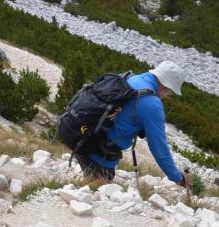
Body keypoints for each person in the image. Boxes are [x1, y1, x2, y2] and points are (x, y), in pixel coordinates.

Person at [78, 60, 193, 188]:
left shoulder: (130, 77)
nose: (168, 95)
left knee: (89, 188)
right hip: (98, 153)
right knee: (95, 192)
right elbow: (159, 149)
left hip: (82, 131)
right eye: (170, 91)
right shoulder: (152, 104)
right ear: (166, 87)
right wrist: (178, 178)